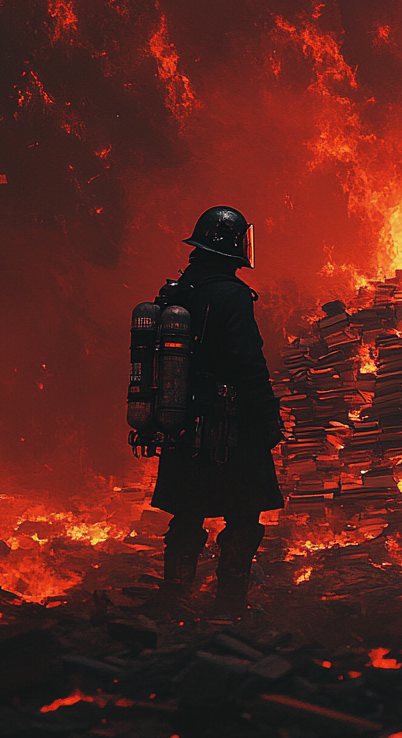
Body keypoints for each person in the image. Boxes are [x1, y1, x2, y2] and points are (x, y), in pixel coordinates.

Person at [150, 205, 283, 613]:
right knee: (243, 515)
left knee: (186, 513)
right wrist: (268, 415)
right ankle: (229, 606)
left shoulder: (179, 292)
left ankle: (174, 600)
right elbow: (248, 361)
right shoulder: (232, 295)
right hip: (230, 424)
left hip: (181, 420)